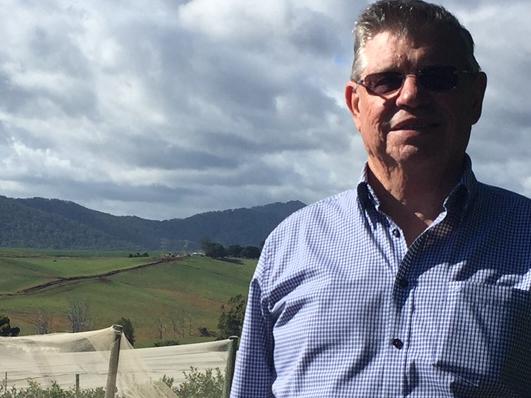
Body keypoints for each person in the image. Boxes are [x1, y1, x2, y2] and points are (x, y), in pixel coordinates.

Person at [230, 0, 531, 396]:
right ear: (356, 104)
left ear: (475, 97)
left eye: (437, 77)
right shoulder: (288, 248)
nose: (410, 95)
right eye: (386, 80)